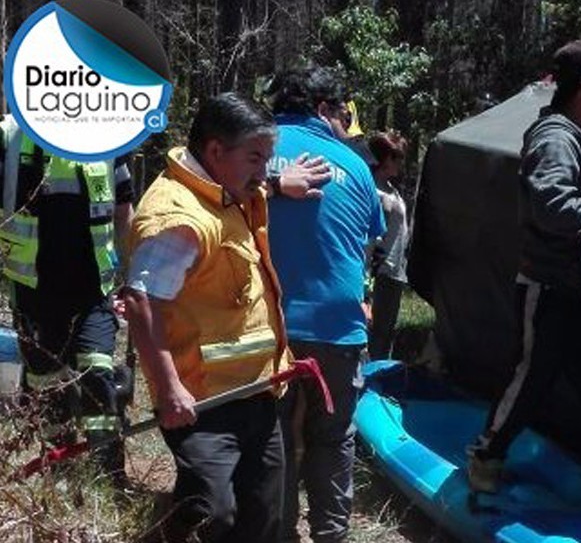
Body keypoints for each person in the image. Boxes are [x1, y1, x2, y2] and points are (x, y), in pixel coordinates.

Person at [123, 92, 314, 543]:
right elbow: (140, 301)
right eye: (256, 158)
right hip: (204, 403)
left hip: (258, 391)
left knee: (264, 516)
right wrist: (169, 390)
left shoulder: (229, 193)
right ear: (214, 151)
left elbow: (256, 185)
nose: (263, 171)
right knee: (213, 516)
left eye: (268, 159)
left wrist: (279, 183)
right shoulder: (178, 217)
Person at [466, 38, 581, 495]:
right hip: (549, 287)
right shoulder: (556, 138)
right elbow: (553, 208)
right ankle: (486, 456)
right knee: (532, 376)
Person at [267, 66, 386, 543]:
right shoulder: (355, 165)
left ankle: (275, 529)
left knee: (271, 437)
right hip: (337, 326)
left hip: (268, 325)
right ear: (324, 109)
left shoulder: (252, 150)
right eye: (343, 112)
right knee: (332, 438)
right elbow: (365, 242)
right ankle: (330, 534)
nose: (346, 122)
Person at [0, 115, 134, 482]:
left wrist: (134, 276)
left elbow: (124, 211)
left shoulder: (109, 136)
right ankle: (58, 470)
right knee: (47, 389)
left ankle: (107, 471)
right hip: (33, 293)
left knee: (98, 378)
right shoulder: (10, 135)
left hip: (92, 293)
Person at [366, 130, 410, 359]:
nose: (401, 162)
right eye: (397, 157)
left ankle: (378, 380)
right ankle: (367, 383)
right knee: (376, 332)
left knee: (386, 332)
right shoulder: (376, 191)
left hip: (394, 271)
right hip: (381, 272)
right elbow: (374, 237)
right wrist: (370, 275)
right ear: (384, 158)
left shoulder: (391, 189)